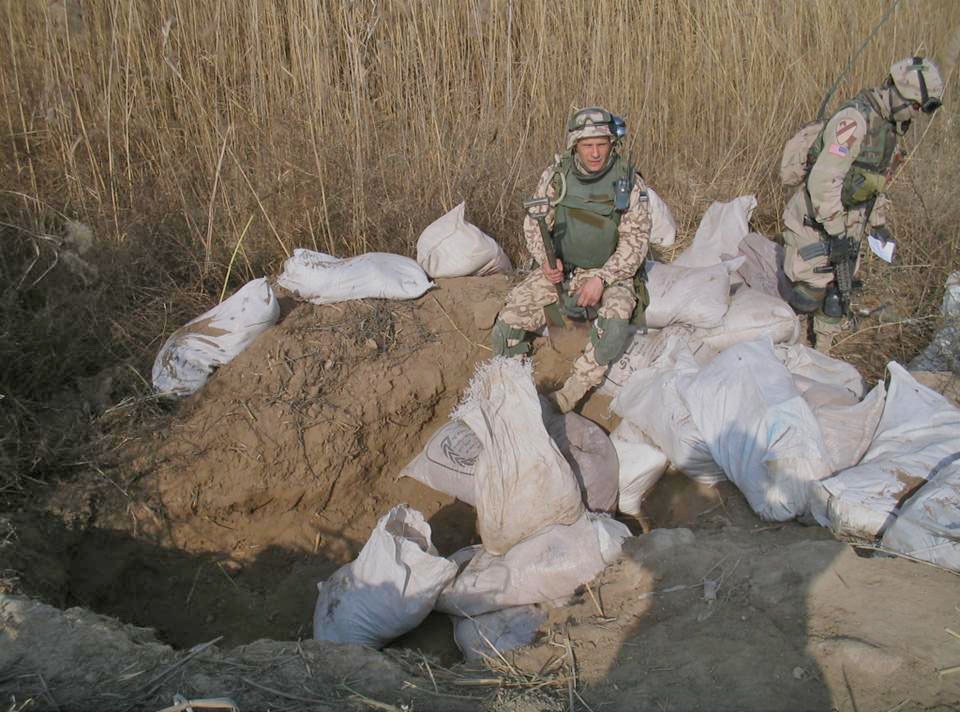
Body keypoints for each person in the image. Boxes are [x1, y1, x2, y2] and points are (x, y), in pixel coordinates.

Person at [490, 106, 652, 413]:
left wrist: (602, 279)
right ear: (575, 145)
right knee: (506, 328)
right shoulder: (556, 177)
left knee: (616, 323)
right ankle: (519, 389)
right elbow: (535, 222)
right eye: (587, 145)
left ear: (612, 143)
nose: (594, 153)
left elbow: (635, 243)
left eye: (601, 145)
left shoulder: (628, 183)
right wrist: (546, 260)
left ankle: (576, 386)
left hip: (610, 272)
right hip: (562, 269)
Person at [781, 56, 944, 352]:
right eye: (915, 105)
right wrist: (836, 231)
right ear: (897, 90)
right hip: (816, 217)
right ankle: (787, 340)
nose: (915, 114)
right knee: (809, 295)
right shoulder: (854, 122)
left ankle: (822, 355)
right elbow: (823, 182)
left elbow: (875, 181)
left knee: (837, 296)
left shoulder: (892, 128)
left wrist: (878, 223)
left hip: (851, 219)